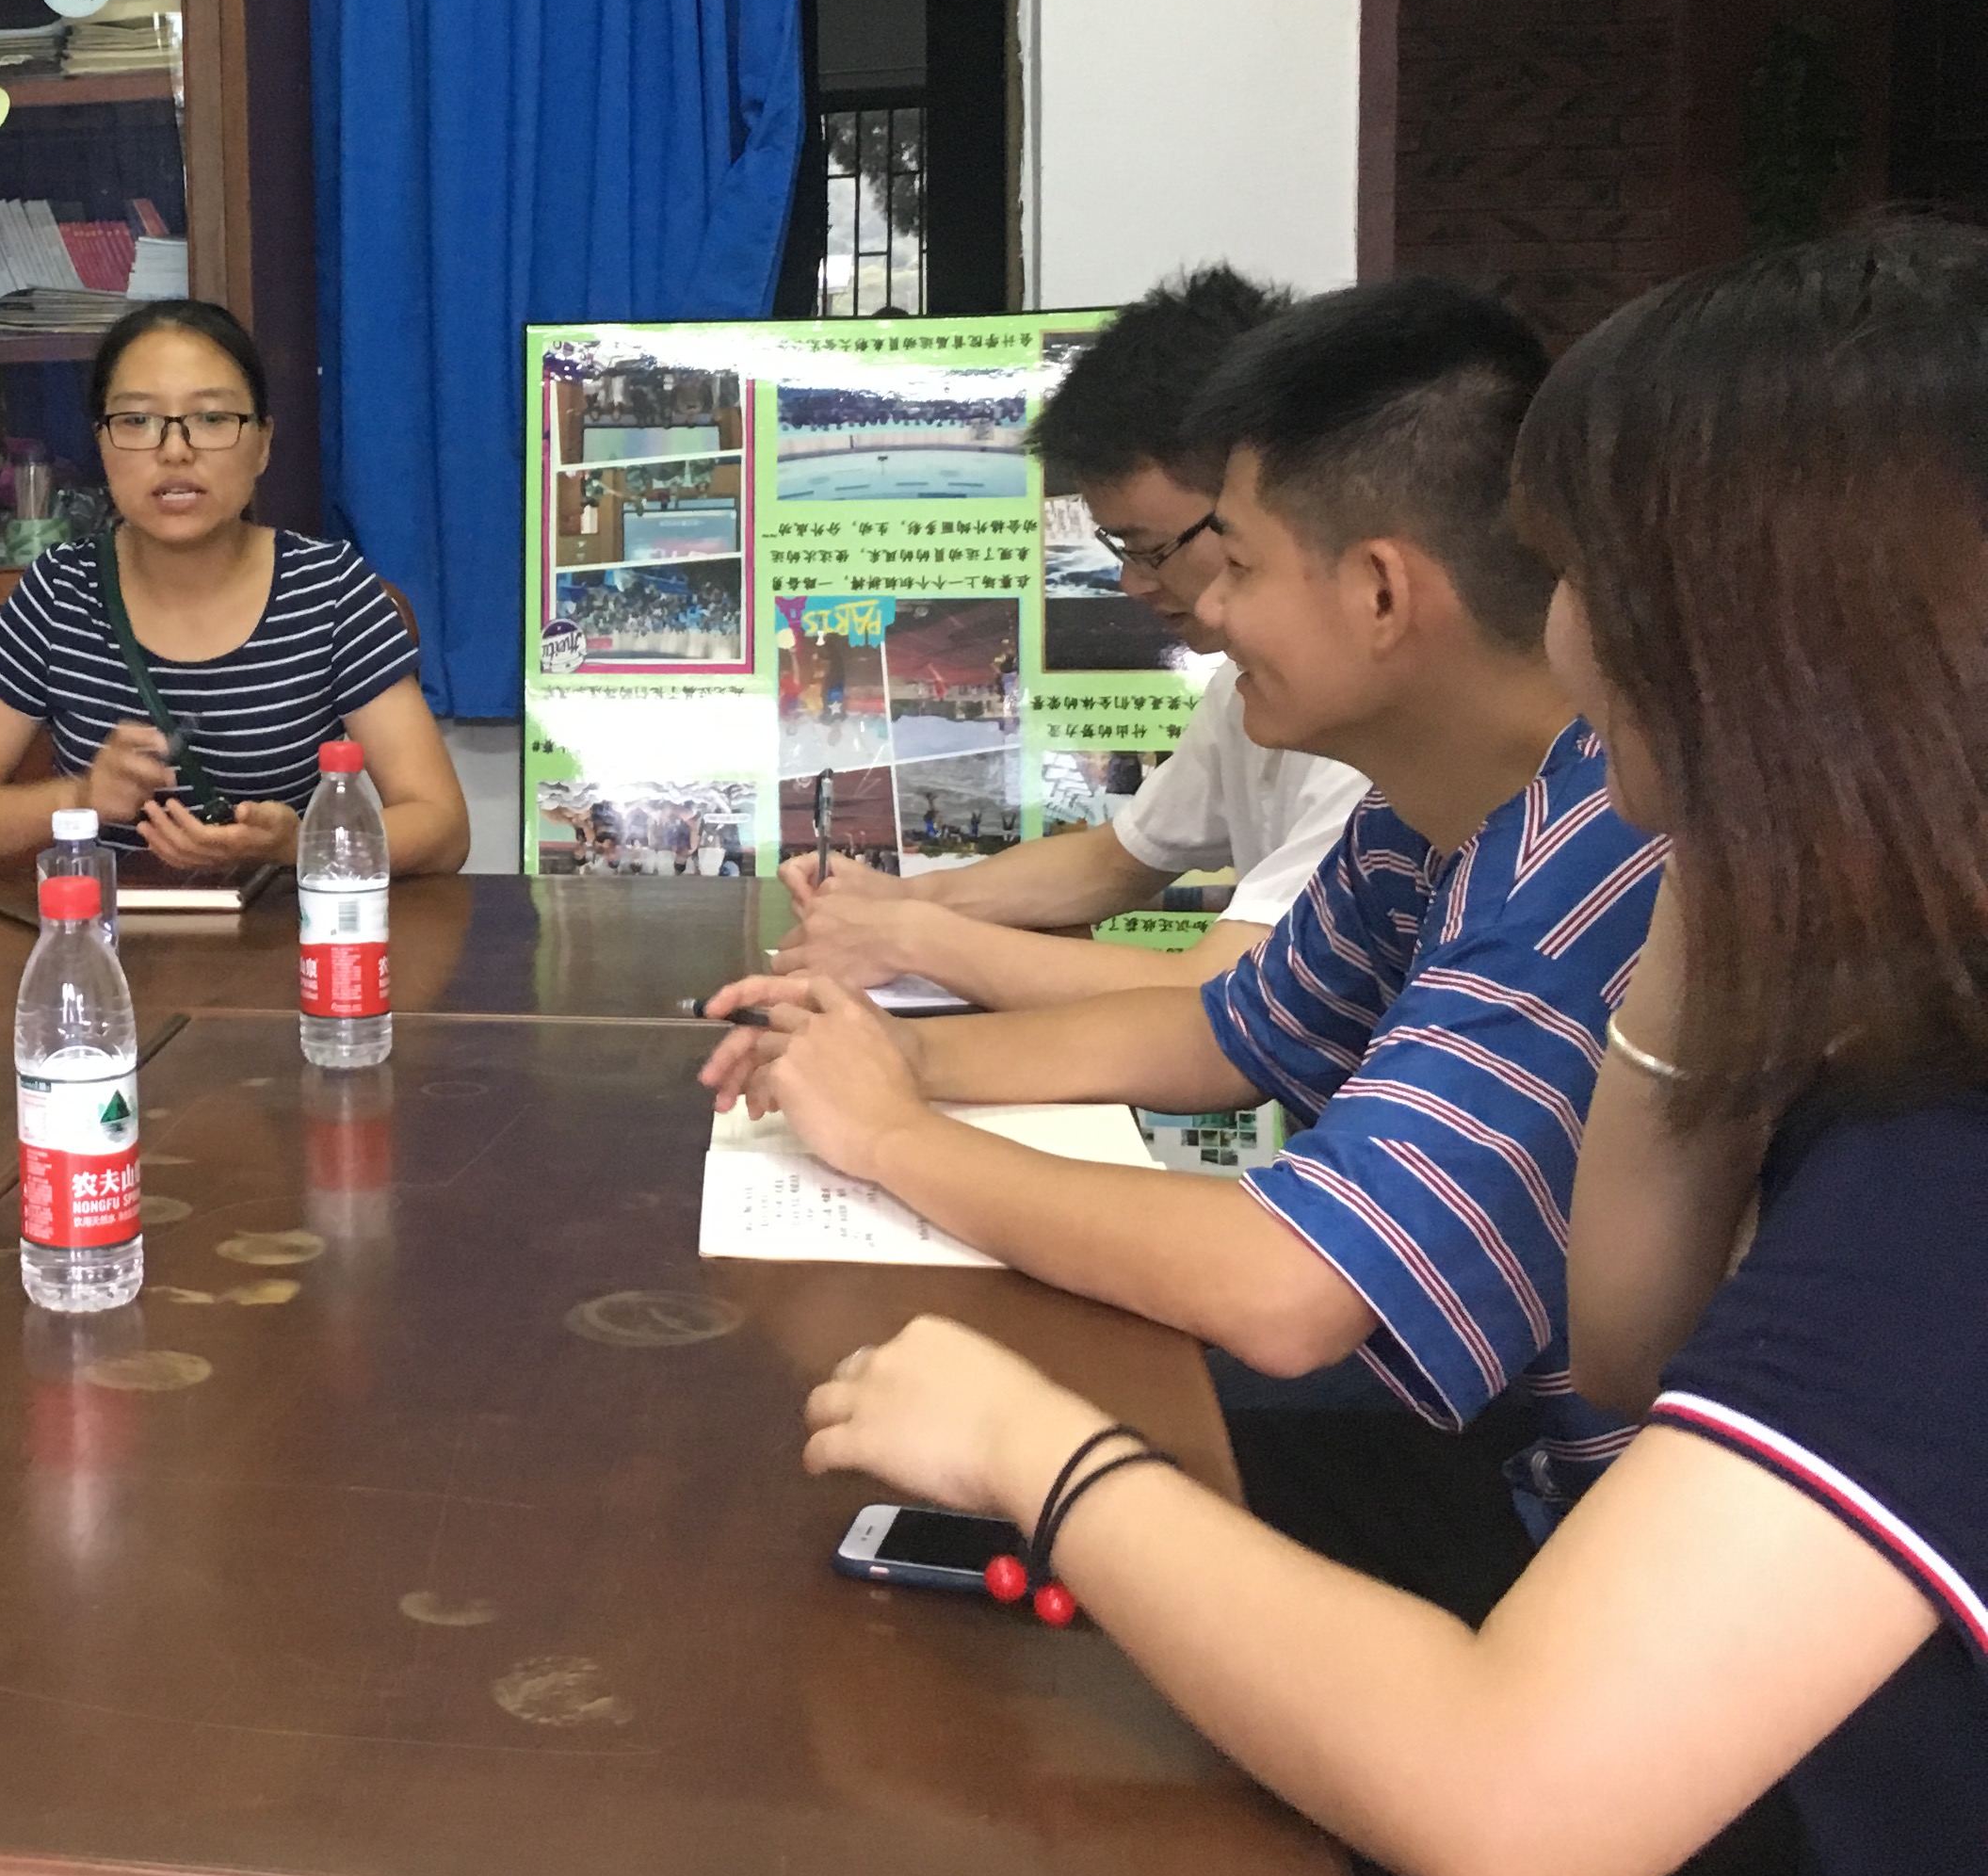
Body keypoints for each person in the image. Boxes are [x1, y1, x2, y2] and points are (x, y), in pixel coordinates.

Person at [802, 226, 1988, 1876]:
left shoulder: (1931, 1156)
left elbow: (1516, 1800)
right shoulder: (1749, 921)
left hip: (1741, 1836)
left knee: (984, 1819)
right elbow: (1623, 1340)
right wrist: (1705, 923)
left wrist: (1041, 1447)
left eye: (1584, 570)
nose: (1559, 626)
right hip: (1741, 1766)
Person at [702, 280, 1665, 1613]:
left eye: (1241, 568)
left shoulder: (1588, 866)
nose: (1207, 615)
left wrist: (892, 1139)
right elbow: (1224, 1028)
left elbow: (1294, 1288)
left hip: (1589, 1556)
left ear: (1382, 591)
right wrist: (896, 1064)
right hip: (1483, 1447)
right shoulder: (1421, 818)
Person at [777, 268, 1369, 1009]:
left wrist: (911, 939)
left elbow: (1227, 996)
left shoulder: (1374, 726)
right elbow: (1121, 858)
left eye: (1150, 550)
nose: (1132, 583)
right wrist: (907, 903)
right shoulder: (1250, 686)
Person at [0, 299, 467, 873]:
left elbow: (441, 826)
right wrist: (79, 796)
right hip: (108, 924)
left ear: (263, 443)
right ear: (102, 443)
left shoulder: (330, 590)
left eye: (212, 418)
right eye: (137, 421)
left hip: (278, 924)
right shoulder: (60, 592)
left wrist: (298, 844)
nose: (175, 450)